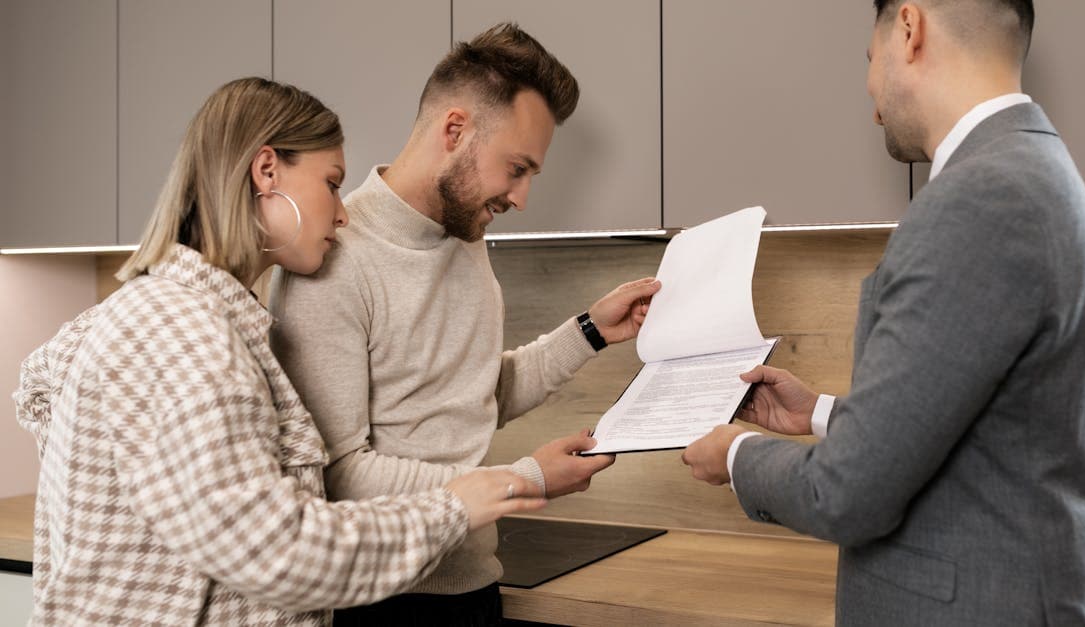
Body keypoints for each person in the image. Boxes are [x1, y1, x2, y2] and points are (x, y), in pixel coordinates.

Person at [12, 77, 547, 626]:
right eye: (332, 184)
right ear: (266, 172)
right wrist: (459, 504)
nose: (342, 214)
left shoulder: (191, 319)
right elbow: (276, 550)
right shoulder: (185, 335)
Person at [682, 1, 1085, 624]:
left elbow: (848, 493)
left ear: (909, 29)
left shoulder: (979, 196)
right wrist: (823, 414)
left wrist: (734, 455)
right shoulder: (1029, 168)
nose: (869, 94)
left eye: (868, 58)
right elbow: (983, 431)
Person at [268, 23, 660, 625]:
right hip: (380, 601)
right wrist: (524, 479)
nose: (522, 197)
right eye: (517, 168)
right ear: (456, 131)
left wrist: (590, 331)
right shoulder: (333, 255)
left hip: (473, 584)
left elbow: (476, 393)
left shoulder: (464, 231)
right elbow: (338, 473)